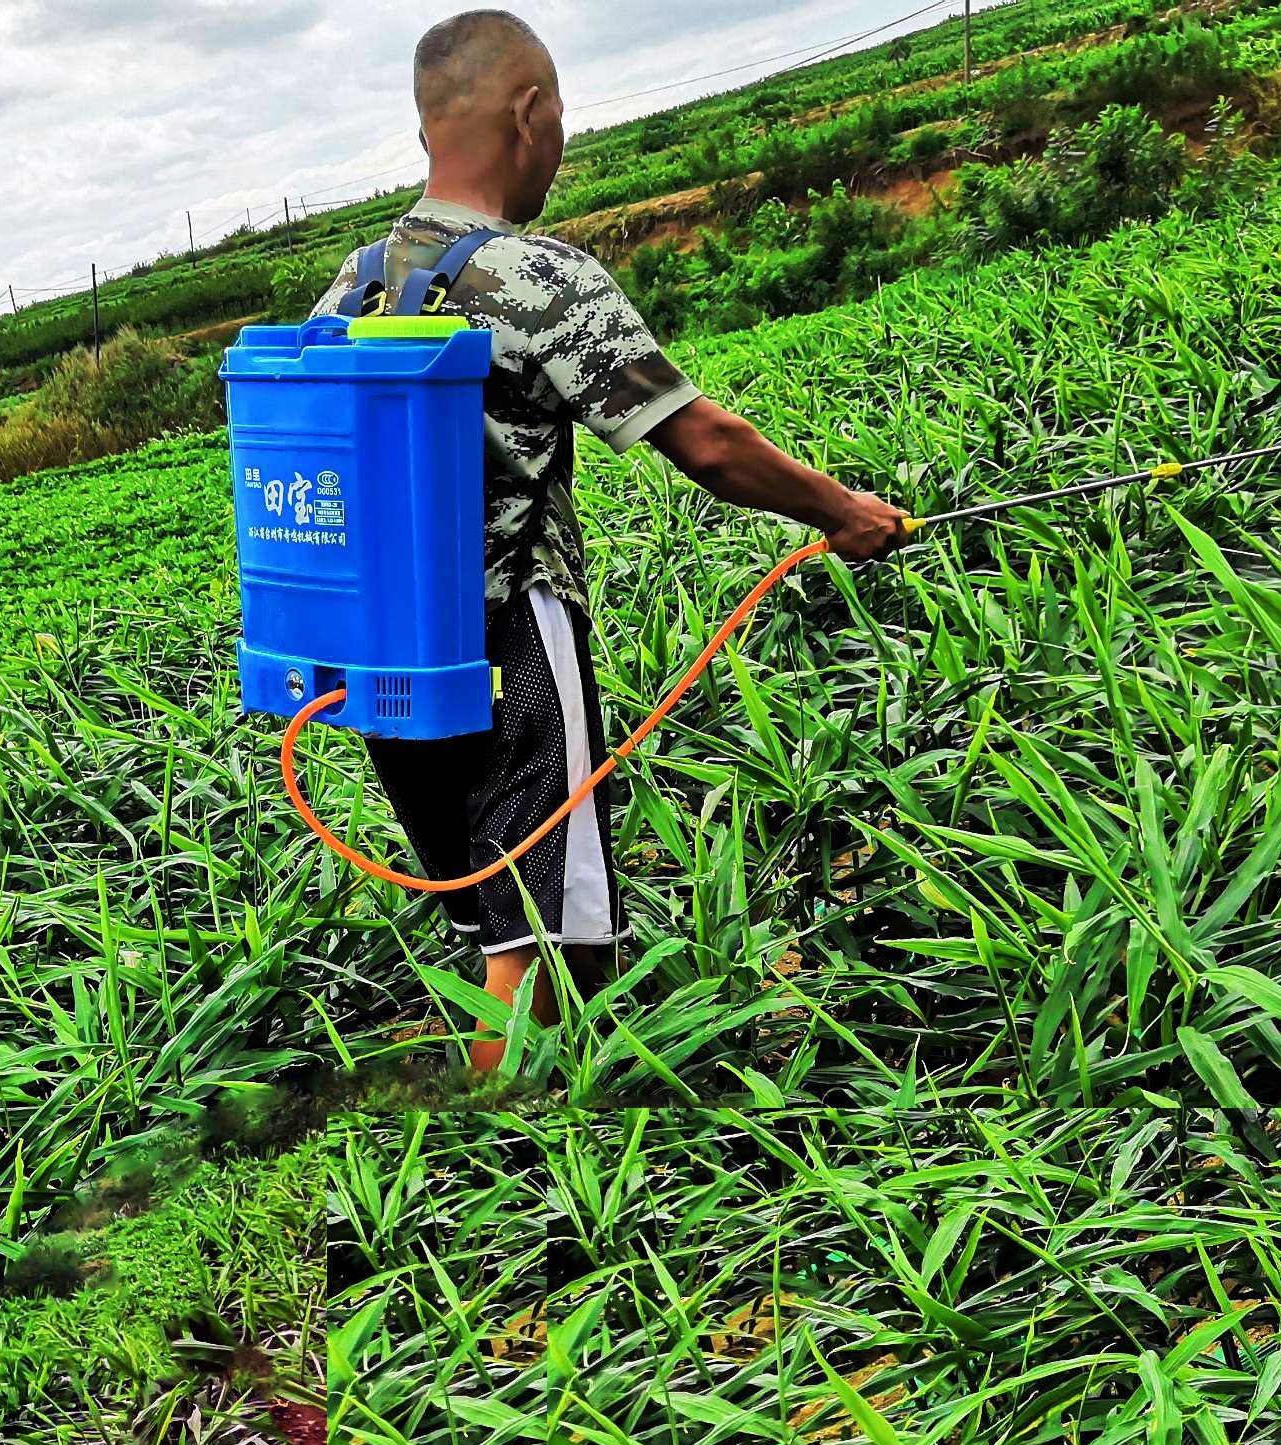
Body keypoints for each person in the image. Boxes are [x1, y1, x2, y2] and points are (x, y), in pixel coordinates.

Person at [320, 8, 908, 1074]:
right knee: (533, 930)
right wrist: (844, 512)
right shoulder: (535, 276)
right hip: (505, 637)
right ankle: (524, 1165)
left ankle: (518, 1106)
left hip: (376, 649)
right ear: (530, 110)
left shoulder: (353, 283)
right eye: (560, 115)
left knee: (483, 912)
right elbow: (707, 442)